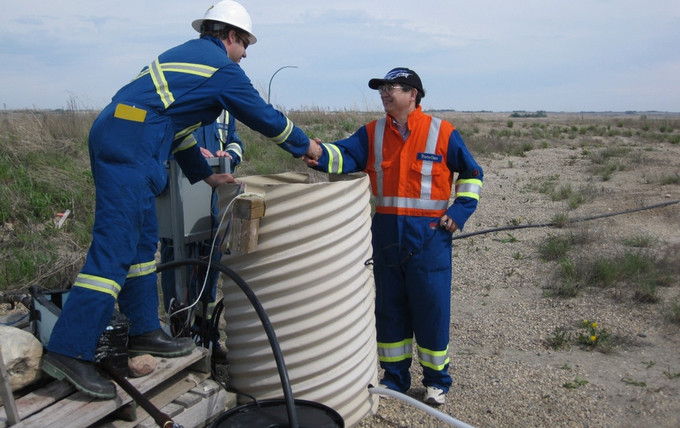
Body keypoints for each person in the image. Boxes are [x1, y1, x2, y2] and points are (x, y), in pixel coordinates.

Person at [42, 0, 322, 400]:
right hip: (130, 142)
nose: (245, 55)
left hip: (137, 137)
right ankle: (70, 350)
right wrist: (305, 145)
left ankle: (143, 331)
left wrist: (206, 175)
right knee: (114, 250)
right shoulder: (221, 68)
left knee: (141, 248)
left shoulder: (188, 61)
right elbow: (263, 115)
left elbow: (179, 130)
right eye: (245, 45)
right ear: (230, 37)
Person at [303, 67, 483, 405]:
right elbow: (344, 155)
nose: (385, 93)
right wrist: (315, 151)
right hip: (385, 235)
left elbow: (473, 173)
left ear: (413, 94)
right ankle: (395, 378)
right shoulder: (372, 133)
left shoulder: (441, 132)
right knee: (389, 310)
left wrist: (458, 213)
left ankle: (437, 382)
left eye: (393, 87)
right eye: (382, 88)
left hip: (430, 238)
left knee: (431, 311)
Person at [159, 110, 243, 360]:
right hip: (179, 199)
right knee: (180, 273)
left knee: (209, 272)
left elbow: (235, 139)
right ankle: (181, 337)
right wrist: (191, 156)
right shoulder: (180, 101)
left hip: (212, 204)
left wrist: (230, 154)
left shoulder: (225, 110)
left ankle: (208, 338)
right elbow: (161, 141)